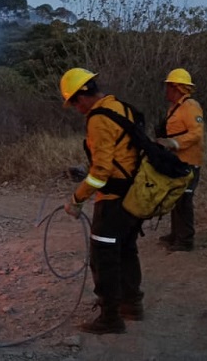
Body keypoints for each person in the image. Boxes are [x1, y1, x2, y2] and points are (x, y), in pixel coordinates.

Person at [59, 68, 145, 334]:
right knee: (127, 249)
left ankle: (110, 318)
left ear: (82, 95)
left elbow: (101, 172)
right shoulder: (121, 107)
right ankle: (131, 304)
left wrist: (77, 199)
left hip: (112, 201)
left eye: (75, 103)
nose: (76, 109)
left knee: (104, 255)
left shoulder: (98, 118)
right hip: (134, 194)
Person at [156, 68, 205, 252]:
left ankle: (185, 240)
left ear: (176, 87)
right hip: (177, 162)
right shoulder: (175, 108)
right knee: (176, 198)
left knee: (184, 199)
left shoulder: (190, 106)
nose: (166, 90)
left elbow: (196, 133)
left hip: (189, 161)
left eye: (169, 87)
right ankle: (176, 234)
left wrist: (175, 143)